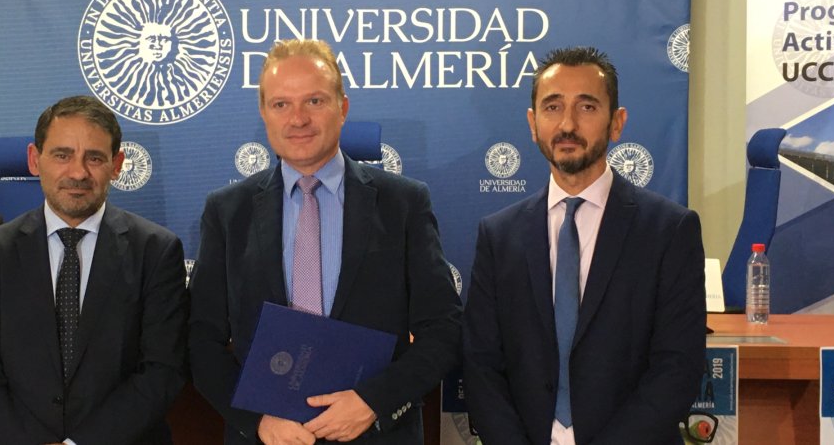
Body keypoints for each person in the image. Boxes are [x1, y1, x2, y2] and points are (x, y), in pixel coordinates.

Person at [189, 39, 462, 445]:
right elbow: (200, 337)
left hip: (376, 434)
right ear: (264, 113)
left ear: (343, 107)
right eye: (281, 104)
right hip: (267, 438)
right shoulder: (228, 211)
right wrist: (257, 420)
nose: (298, 118)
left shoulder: (402, 203)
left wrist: (374, 402)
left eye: (314, 101)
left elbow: (444, 327)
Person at [463, 47, 705, 445]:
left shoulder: (668, 230)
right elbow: (481, 365)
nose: (568, 124)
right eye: (552, 107)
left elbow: (677, 368)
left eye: (587, 107)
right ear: (533, 123)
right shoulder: (499, 235)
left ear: (617, 123)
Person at [0, 95, 188, 445]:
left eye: (94, 157)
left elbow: (162, 370)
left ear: (117, 164)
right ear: (35, 160)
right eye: (62, 155)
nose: (78, 172)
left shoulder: (156, 251)